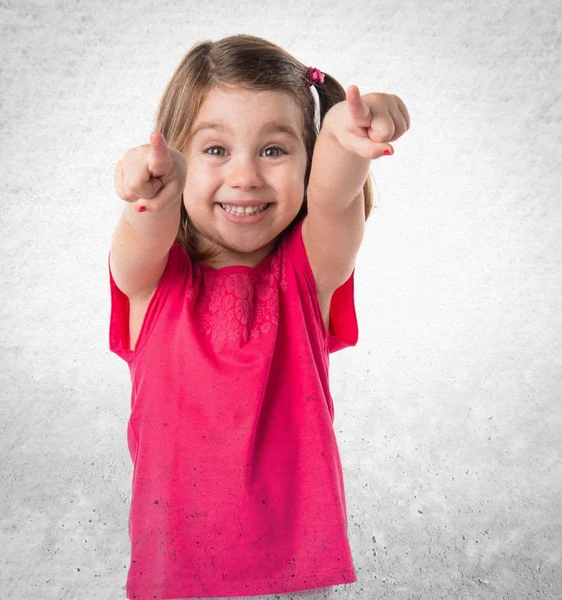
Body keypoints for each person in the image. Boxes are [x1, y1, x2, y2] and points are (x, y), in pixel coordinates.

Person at [108, 33, 410, 600]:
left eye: (274, 149)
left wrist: (346, 137)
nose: (245, 176)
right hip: (177, 574)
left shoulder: (307, 274)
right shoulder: (153, 282)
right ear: (176, 155)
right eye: (216, 149)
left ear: (307, 157)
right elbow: (140, 234)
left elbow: (332, 201)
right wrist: (147, 192)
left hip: (293, 573)